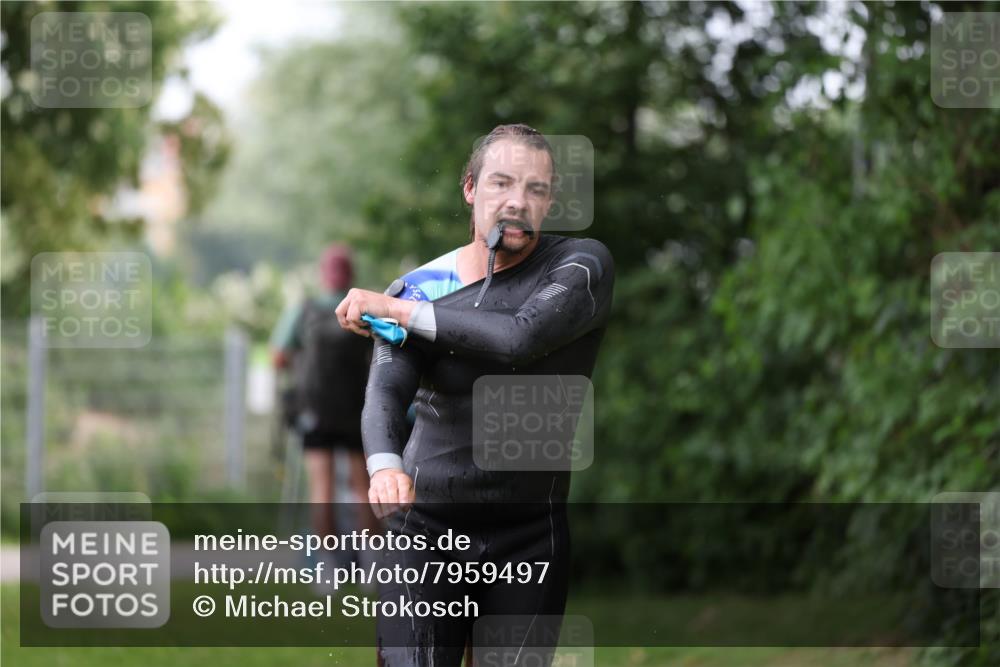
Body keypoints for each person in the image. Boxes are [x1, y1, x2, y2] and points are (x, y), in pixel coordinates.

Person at [336, 124, 614, 666]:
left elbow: (518, 338)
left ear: (551, 199)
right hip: (424, 530)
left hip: (530, 536)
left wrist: (399, 312)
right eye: (502, 183)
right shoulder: (422, 286)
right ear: (470, 188)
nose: (518, 201)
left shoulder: (580, 266)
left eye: (536, 189)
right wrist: (385, 467)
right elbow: (385, 393)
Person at [271, 244, 379, 569]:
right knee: (365, 488)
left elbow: (278, 357)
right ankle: (372, 566)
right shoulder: (363, 307)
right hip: (357, 410)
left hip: (316, 410)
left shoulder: (303, 310)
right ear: (351, 273)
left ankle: (327, 566)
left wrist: (301, 367)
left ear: (323, 274)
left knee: (322, 487)